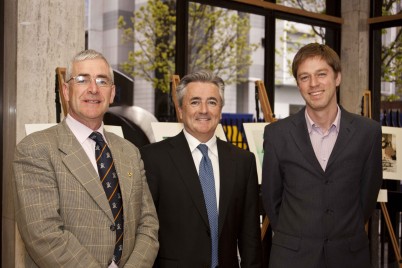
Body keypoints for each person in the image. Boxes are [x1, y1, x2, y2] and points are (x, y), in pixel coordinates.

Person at [13, 49, 159, 268]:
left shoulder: (130, 151)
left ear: (111, 93)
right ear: (65, 89)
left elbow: (148, 224)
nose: (93, 89)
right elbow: (43, 234)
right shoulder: (35, 149)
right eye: (82, 80)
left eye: (102, 81)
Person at [261, 43, 382, 268]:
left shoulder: (368, 133)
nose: (313, 84)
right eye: (304, 77)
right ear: (298, 84)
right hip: (292, 259)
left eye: (321, 74)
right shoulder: (277, 134)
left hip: (348, 258)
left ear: (337, 78)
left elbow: (366, 199)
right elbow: (271, 197)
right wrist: (297, 238)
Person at [140, 70, 262, 268]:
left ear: (220, 111)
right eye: (195, 102)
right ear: (180, 110)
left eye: (212, 102)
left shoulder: (243, 162)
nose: (204, 110)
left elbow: (250, 239)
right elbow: (144, 231)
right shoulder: (153, 159)